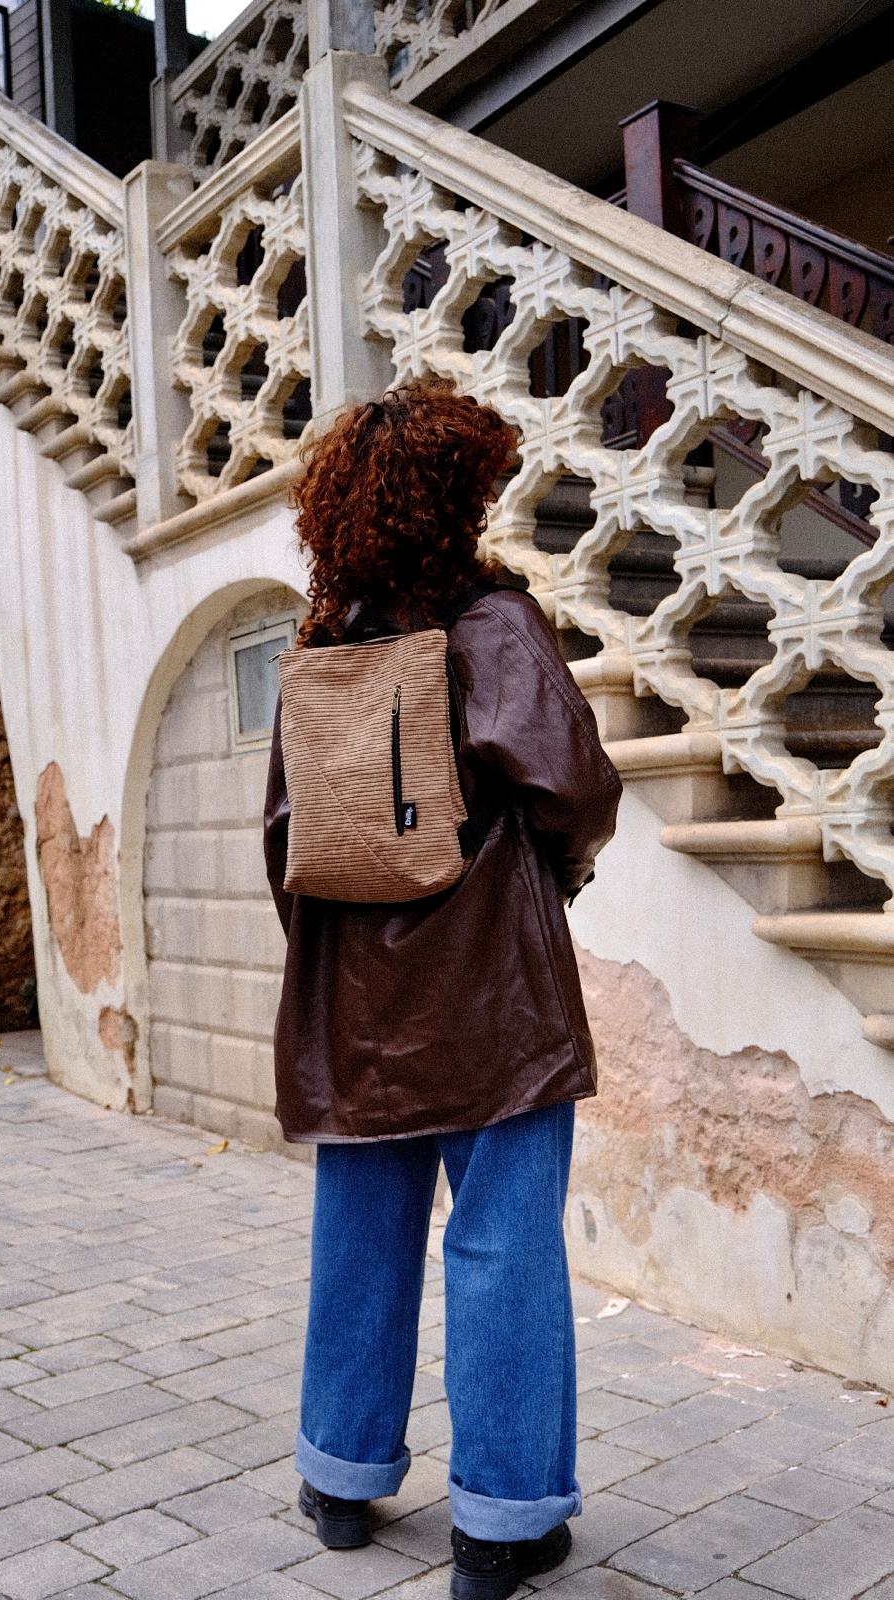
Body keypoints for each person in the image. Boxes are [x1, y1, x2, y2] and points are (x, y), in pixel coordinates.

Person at [263, 379, 623, 1600]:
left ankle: (339, 1477)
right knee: (502, 1246)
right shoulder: (492, 626)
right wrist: (548, 879)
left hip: (351, 999)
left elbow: (284, 835)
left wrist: (343, 953)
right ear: (459, 498)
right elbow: (574, 784)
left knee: (358, 1239)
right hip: (490, 989)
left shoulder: (322, 645)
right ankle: (500, 1524)